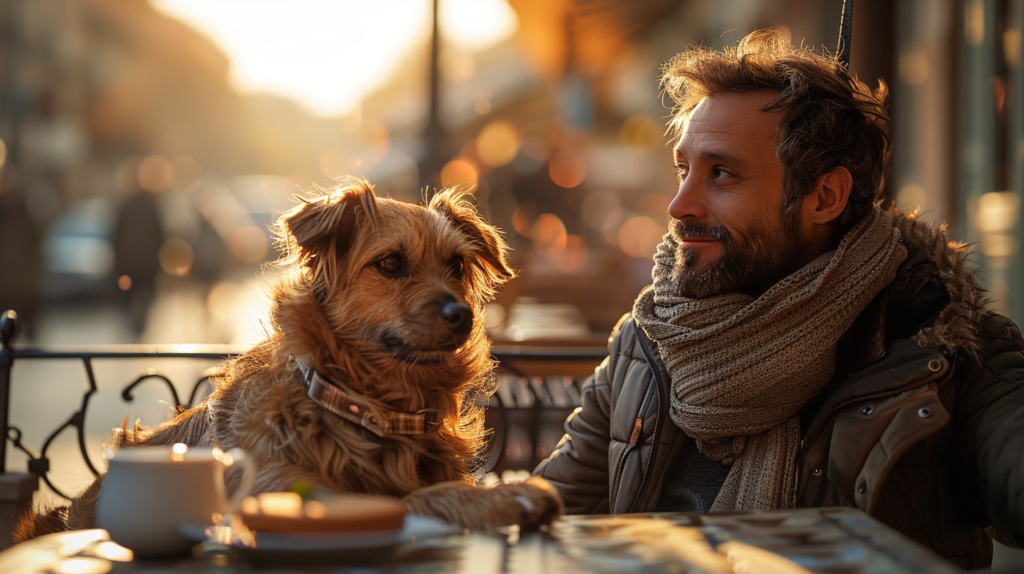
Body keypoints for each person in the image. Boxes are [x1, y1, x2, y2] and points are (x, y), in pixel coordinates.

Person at [533, 29, 1024, 569]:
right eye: (683, 170)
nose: (679, 205)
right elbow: (546, 510)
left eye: (721, 173)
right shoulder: (649, 339)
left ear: (824, 197)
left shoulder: (947, 353)